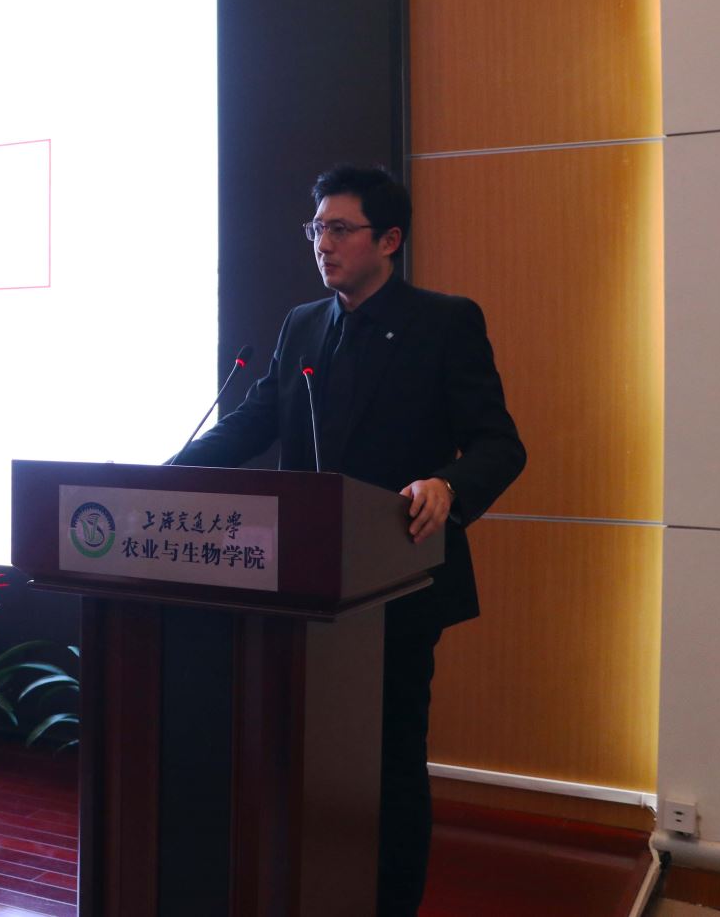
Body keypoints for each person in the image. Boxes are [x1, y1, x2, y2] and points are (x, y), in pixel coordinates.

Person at [171, 163, 525, 916]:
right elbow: (255, 421)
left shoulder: (444, 322)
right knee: (301, 755)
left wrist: (448, 485)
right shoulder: (303, 323)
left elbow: (501, 443)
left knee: (389, 761)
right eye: (316, 228)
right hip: (299, 584)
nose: (322, 244)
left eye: (339, 229)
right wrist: (166, 475)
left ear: (389, 240)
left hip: (396, 583)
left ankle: (390, 904)